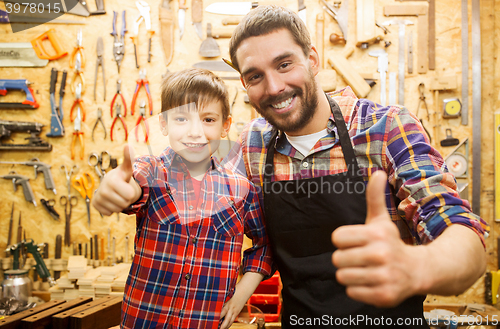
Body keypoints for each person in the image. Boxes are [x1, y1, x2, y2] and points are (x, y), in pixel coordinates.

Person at [224, 5, 489, 328]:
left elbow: (459, 231)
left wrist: (420, 265)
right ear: (244, 83)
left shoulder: (386, 127)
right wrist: (143, 187)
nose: (274, 86)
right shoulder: (253, 144)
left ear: (312, 59)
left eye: (284, 64)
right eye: (256, 76)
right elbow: (205, 209)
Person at [92, 68, 272, 329]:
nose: (195, 132)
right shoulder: (152, 170)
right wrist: (119, 189)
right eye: (181, 119)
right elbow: (134, 187)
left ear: (225, 126)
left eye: (208, 120)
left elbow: (264, 245)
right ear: (163, 124)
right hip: (143, 321)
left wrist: (240, 296)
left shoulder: (241, 189)